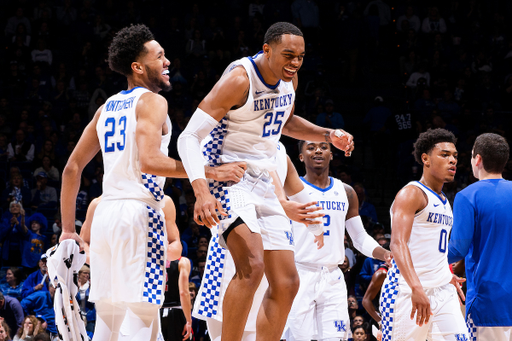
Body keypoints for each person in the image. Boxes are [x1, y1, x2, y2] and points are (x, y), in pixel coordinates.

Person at [59, 24, 242, 341]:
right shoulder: (153, 103)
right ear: (138, 66)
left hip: (106, 215)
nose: (168, 61)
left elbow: (71, 169)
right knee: (145, 316)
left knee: (108, 319)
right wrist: (211, 171)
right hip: (140, 214)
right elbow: (149, 161)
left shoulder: (106, 108)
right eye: (160, 57)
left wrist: (67, 231)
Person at [178, 21, 354, 341]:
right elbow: (188, 137)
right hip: (229, 178)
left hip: (264, 180)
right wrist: (201, 189)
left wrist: (328, 134)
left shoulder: (290, 79)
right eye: (288, 55)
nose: (295, 63)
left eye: (300, 57)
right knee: (252, 265)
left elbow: (285, 122)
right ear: (267, 50)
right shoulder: (239, 80)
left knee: (287, 283)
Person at [193, 141, 324, 341]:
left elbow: (297, 195)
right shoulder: (234, 136)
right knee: (222, 334)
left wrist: (317, 225)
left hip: (267, 249)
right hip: (229, 247)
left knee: (260, 326)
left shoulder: (279, 151)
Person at [284, 141, 390, 341]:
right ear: (300, 157)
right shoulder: (289, 190)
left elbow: (358, 238)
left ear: (331, 154)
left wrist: (385, 254)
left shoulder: (347, 191)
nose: (318, 150)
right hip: (300, 272)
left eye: (324, 147)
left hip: (333, 275)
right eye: (311, 147)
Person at [380, 128, 468, 340]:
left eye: (455, 156)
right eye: (445, 155)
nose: (452, 161)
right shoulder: (411, 193)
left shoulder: (445, 200)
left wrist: (446, 276)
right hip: (406, 291)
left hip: (441, 291)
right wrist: (416, 288)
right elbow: (398, 244)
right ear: (426, 159)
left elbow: (430, 248)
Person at [448, 133, 512, 340]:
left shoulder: (467, 196)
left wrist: (424, 259)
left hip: (489, 302)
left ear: (478, 159)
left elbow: (458, 249)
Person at [160, 257, 192, 341]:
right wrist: (188, 320)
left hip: (157, 311)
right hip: (176, 311)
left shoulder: (156, 258)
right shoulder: (183, 261)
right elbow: (183, 292)